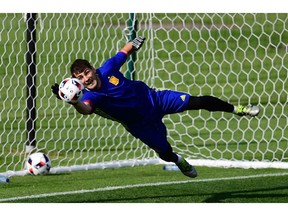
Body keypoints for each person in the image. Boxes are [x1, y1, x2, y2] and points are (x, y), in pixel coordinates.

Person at [51, 36, 260, 178]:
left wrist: (133, 43)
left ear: (93, 70)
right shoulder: (89, 97)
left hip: (156, 99)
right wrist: (73, 101)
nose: (86, 79)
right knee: (165, 152)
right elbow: (86, 110)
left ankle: (237, 109)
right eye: (80, 78)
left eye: (87, 73)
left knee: (197, 101)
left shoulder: (107, 68)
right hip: (141, 125)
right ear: (75, 82)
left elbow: (123, 51)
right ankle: (179, 160)